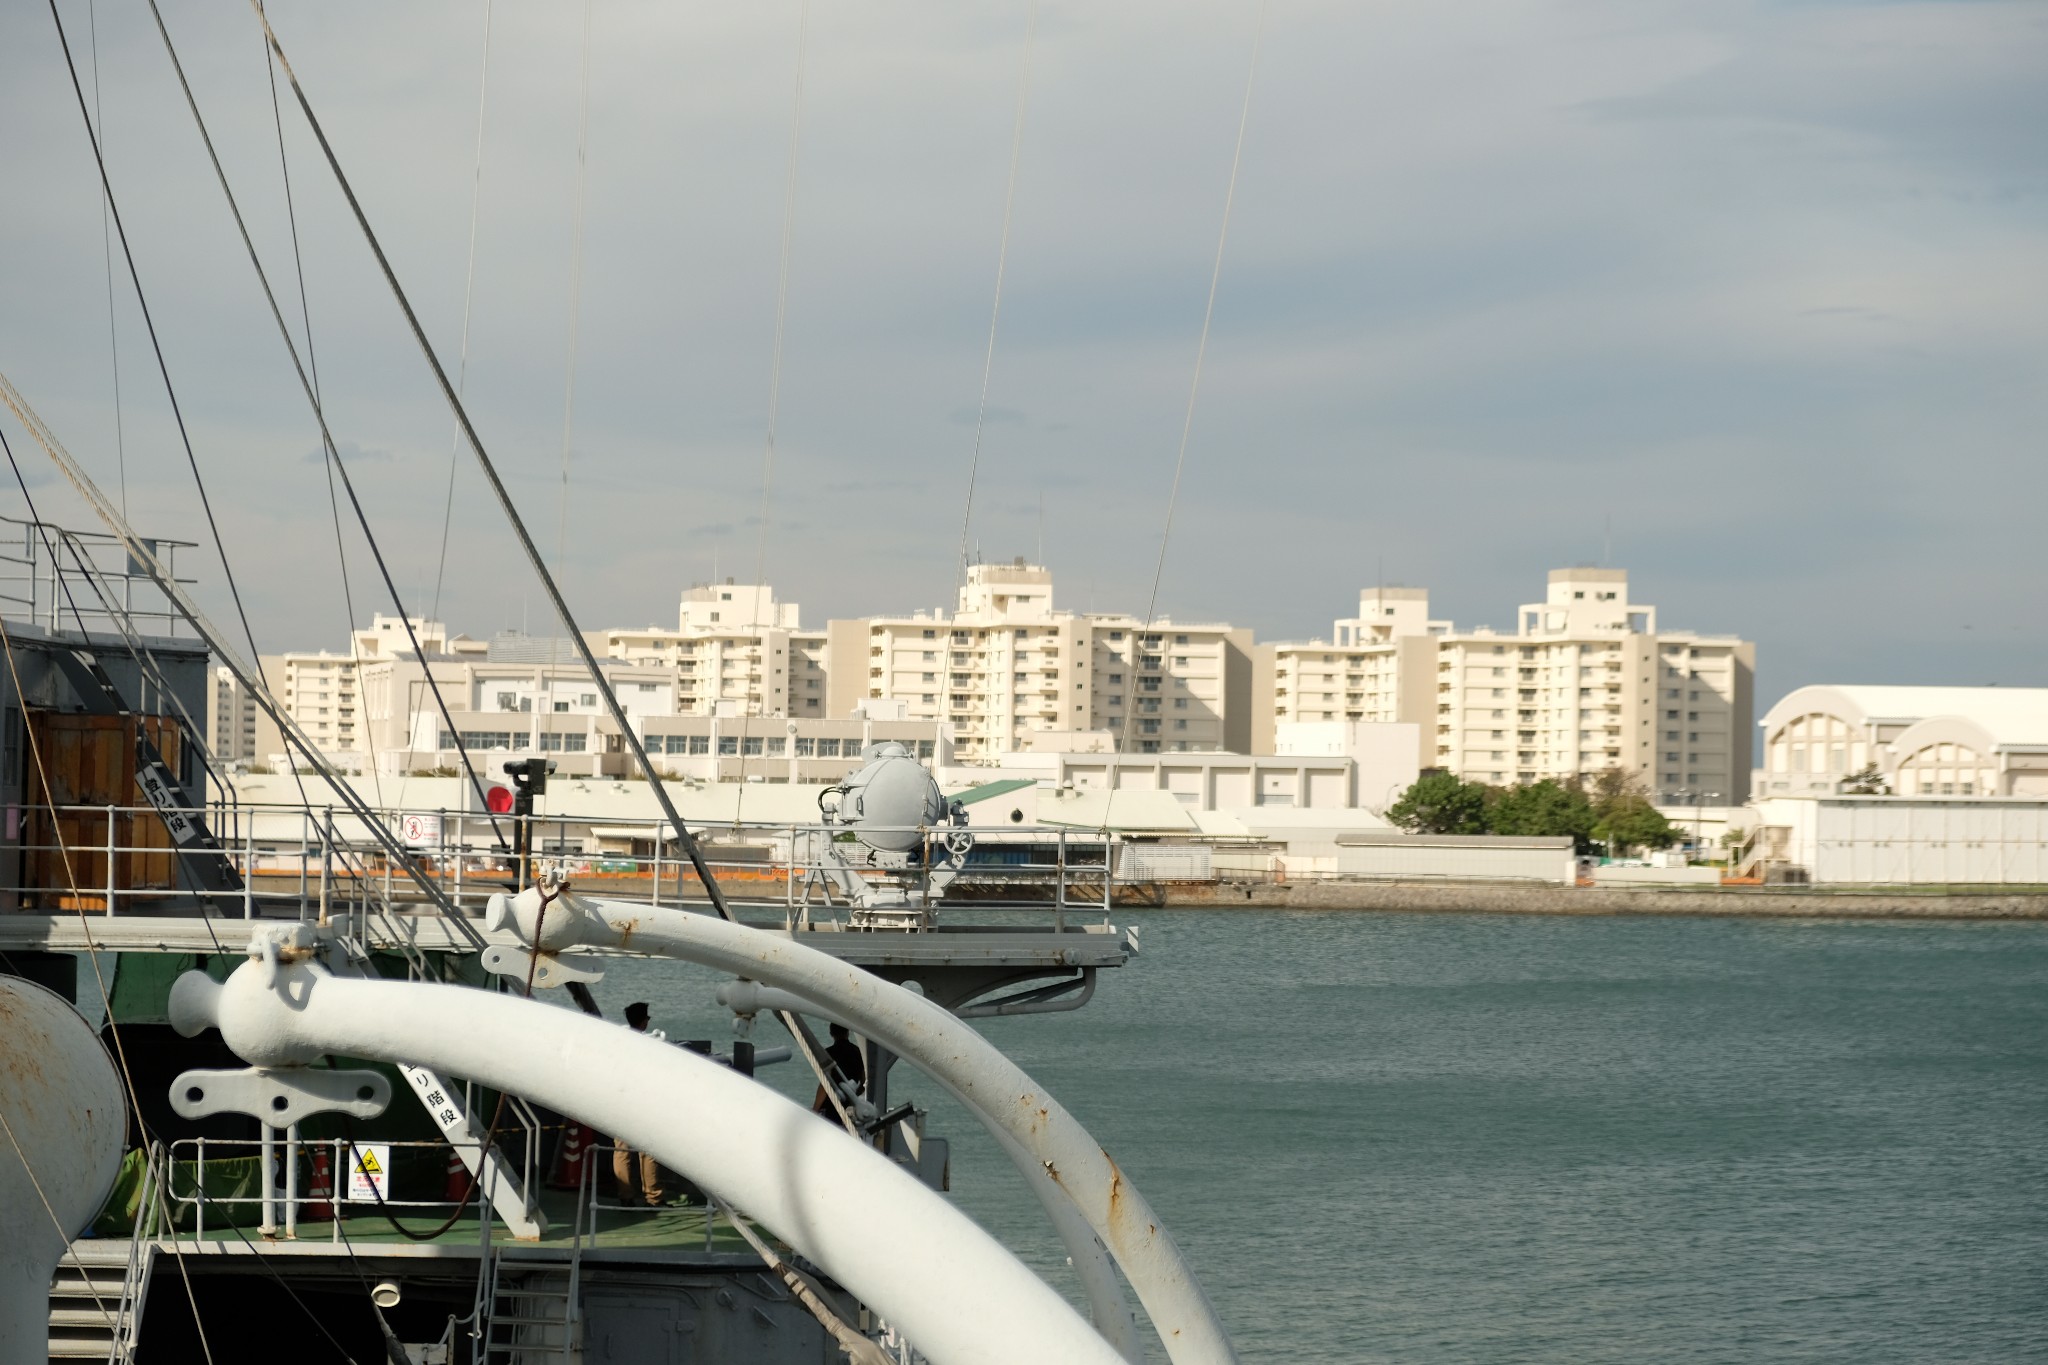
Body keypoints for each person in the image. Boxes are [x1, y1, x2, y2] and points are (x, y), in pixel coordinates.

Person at [611, 1002, 666, 1206]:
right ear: (643, 1021)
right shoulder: (647, 1045)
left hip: (620, 1104)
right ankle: (653, 1196)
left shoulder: (619, 1043)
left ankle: (625, 1197)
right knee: (649, 1151)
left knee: (621, 1151)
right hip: (642, 1105)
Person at [813, 1023, 866, 1119]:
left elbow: (825, 1084)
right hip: (850, 1104)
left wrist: (815, 1109)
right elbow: (863, 1081)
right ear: (847, 1032)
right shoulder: (858, 1052)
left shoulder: (828, 1053)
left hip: (831, 1106)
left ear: (831, 1034)